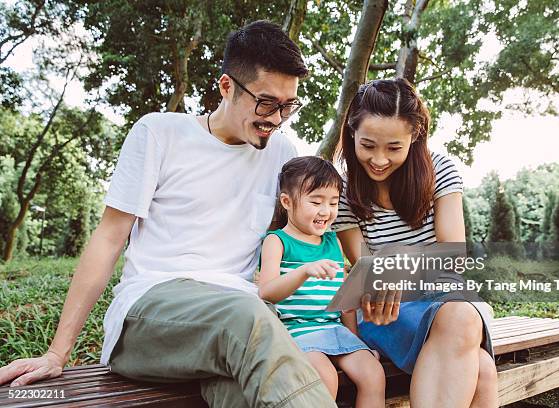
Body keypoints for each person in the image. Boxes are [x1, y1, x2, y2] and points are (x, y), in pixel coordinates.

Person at [0, 21, 337, 408]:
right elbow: (109, 239)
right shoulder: (160, 133)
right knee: (246, 315)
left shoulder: (282, 153)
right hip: (150, 315)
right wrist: (57, 353)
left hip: (237, 334)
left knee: (245, 392)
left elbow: (314, 224)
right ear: (227, 87)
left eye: (287, 105)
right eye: (265, 102)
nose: (276, 118)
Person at [332, 78, 498, 408]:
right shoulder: (343, 187)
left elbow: (452, 256)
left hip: (447, 297)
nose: (379, 159)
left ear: (415, 136)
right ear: (352, 134)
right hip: (385, 307)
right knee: (481, 368)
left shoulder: (440, 170)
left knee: (460, 316)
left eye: (394, 147)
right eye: (368, 145)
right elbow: (365, 269)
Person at [258, 156, 385, 407]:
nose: (326, 211)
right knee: (324, 378)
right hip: (296, 333)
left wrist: (356, 341)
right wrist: (304, 271)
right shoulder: (277, 241)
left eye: (333, 203)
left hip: (335, 331)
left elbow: (344, 302)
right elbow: (267, 292)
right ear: (287, 202)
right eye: (316, 202)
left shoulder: (332, 242)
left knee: (373, 374)